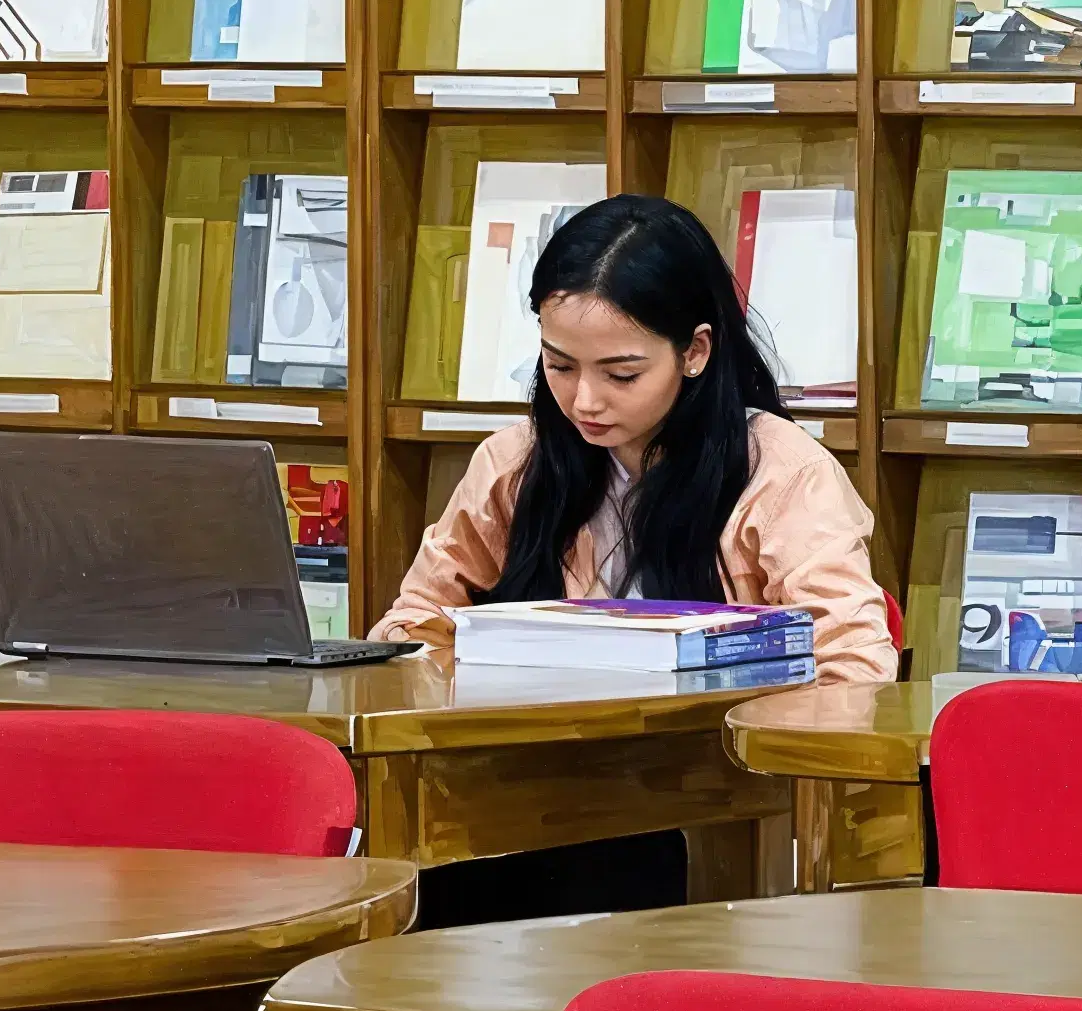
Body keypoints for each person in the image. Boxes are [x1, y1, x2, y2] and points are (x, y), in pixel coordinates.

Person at [380, 191, 897, 686]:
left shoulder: (783, 473)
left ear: (695, 350)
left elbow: (851, 670)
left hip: (720, 765)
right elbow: (413, 622)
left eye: (621, 375)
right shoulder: (514, 461)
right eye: (558, 364)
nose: (584, 401)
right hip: (531, 757)